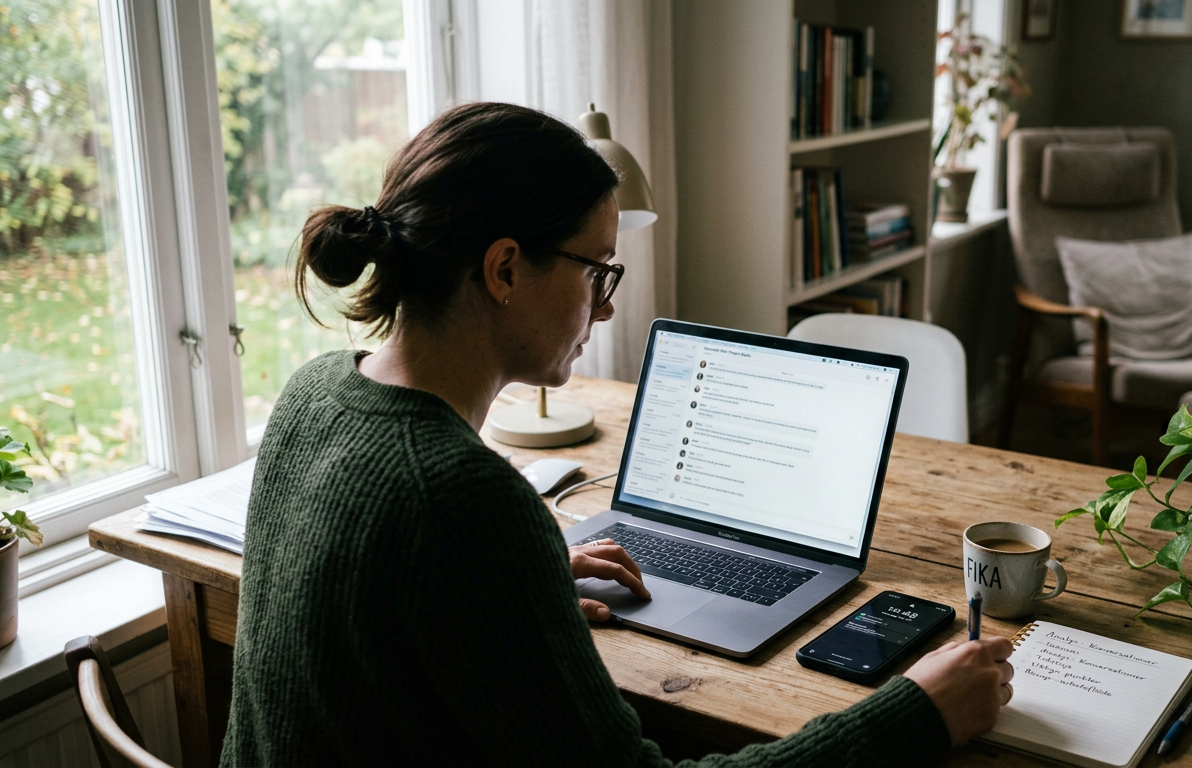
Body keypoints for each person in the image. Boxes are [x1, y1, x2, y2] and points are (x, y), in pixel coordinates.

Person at [221, 102, 1014, 767]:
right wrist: (918, 712)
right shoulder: (460, 498)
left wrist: (514, 589)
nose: (604, 308)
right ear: (504, 270)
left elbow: (386, 613)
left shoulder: (313, 392)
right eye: (597, 268)